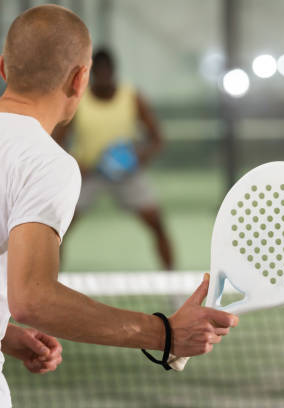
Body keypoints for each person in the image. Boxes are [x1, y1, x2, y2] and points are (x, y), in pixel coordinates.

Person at [0, 5, 237, 405]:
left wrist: (5, 334)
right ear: (80, 79)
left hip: (124, 175)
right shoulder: (46, 163)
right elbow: (32, 299)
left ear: (4, 68)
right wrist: (166, 334)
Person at [53, 48, 174, 271]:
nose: (103, 77)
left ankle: (173, 285)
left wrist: (138, 157)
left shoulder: (132, 96)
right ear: (90, 74)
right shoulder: (77, 100)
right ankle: (52, 281)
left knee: (157, 224)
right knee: (57, 230)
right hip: (88, 175)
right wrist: (77, 165)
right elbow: (56, 142)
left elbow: (157, 138)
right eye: (97, 72)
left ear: (114, 71)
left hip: (128, 175)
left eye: (106, 71)